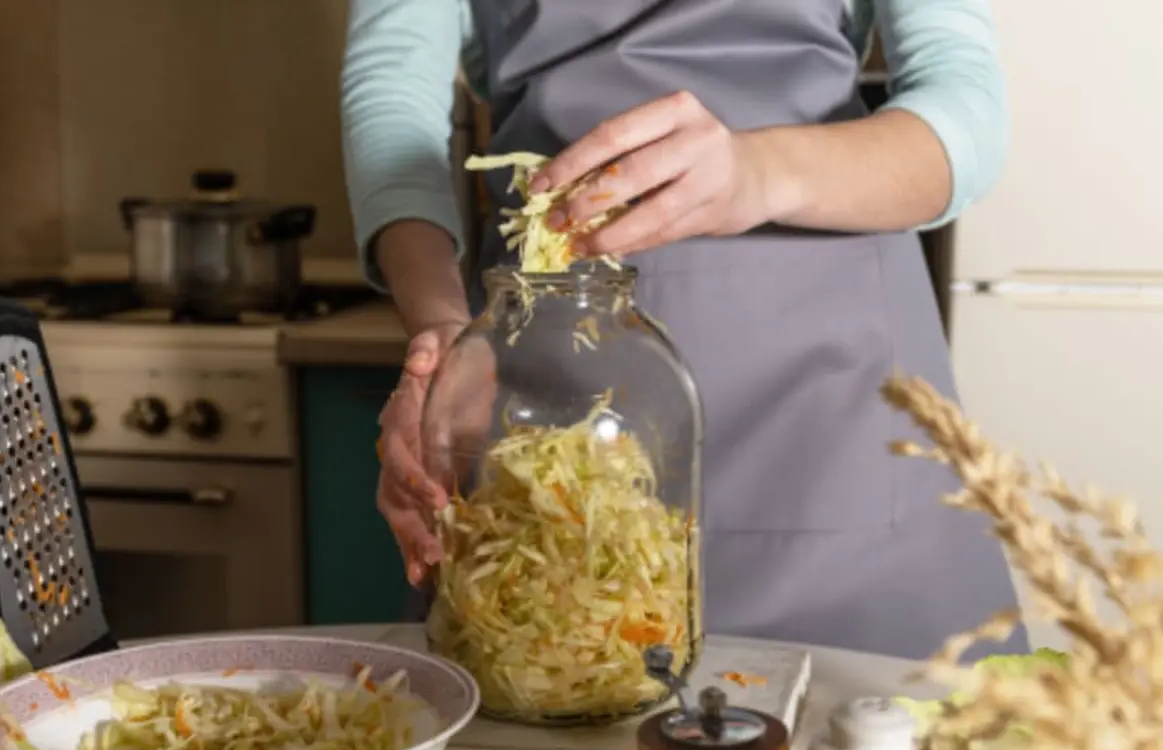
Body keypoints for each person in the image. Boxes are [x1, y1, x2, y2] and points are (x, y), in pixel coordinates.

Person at [344, 0, 1030, 659]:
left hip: (834, 397)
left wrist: (755, 174)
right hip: (551, 360)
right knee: (549, 724)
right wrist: (446, 334)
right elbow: (393, 99)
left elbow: (966, 118)